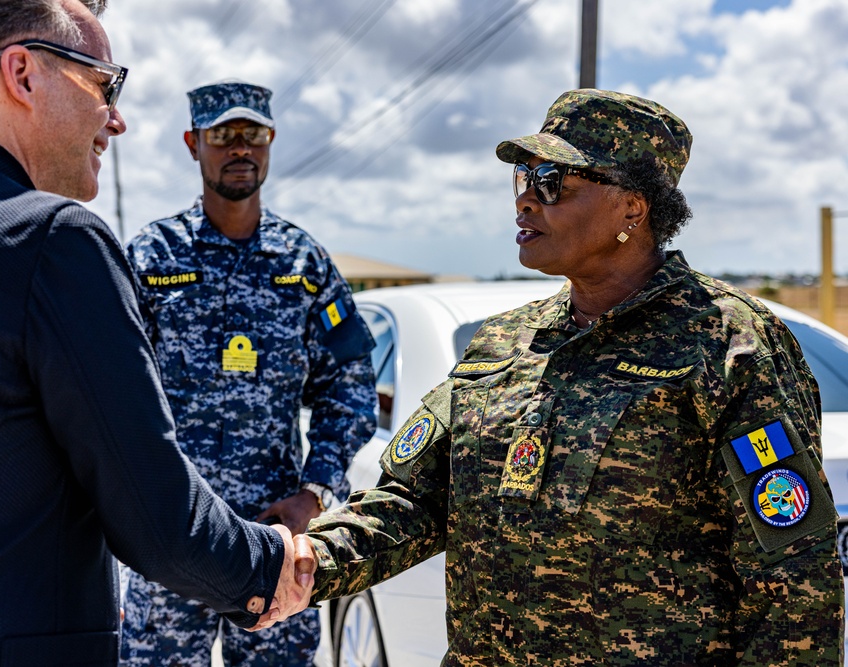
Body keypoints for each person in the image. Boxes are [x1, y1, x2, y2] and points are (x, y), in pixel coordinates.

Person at [299, 89, 846, 665]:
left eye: (553, 181)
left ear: (633, 209)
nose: (526, 202)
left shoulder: (728, 343)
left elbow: (791, 579)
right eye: (522, 177)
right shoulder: (502, 343)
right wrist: (294, 565)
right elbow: (413, 501)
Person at [0, 2, 313, 665]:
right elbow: (157, 518)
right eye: (104, 84)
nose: (116, 119)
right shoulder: (53, 240)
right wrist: (272, 566)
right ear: (22, 73)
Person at [119, 81, 376, 667]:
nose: (240, 148)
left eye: (252, 134)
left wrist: (314, 492)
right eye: (223, 135)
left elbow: (351, 380)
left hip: (272, 543)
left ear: (271, 142)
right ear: (193, 144)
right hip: (172, 538)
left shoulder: (302, 264)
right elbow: (111, 389)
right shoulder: (152, 259)